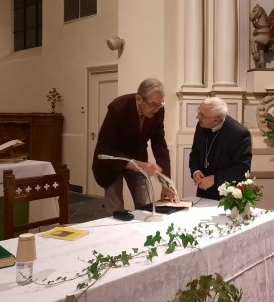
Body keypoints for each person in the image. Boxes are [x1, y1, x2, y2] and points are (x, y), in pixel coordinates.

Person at [92, 77, 179, 215]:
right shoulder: (118, 107)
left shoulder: (158, 110)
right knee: (116, 211)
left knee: (146, 207)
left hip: (138, 158)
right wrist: (140, 165)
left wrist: (166, 183)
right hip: (113, 162)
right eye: (153, 104)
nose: (157, 109)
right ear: (139, 99)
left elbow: (159, 144)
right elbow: (105, 148)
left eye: (160, 104)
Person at [189, 97, 252, 201]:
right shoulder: (201, 125)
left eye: (202, 115)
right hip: (203, 192)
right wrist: (196, 171)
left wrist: (215, 178)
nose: (197, 117)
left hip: (227, 196)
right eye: (198, 111)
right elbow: (195, 153)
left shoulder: (238, 133)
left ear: (216, 119)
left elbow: (242, 168)